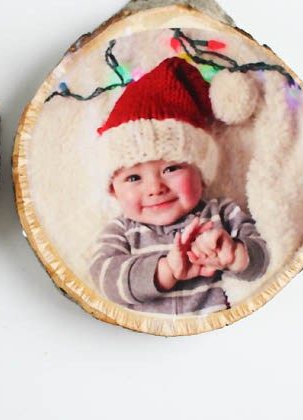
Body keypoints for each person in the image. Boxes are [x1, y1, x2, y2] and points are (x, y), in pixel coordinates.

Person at [90, 57, 269, 315]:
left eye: (171, 169)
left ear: (200, 173)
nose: (155, 188)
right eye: (133, 178)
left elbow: (262, 257)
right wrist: (165, 269)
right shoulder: (122, 231)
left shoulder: (222, 214)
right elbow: (105, 277)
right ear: (112, 190)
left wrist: (235, 254)